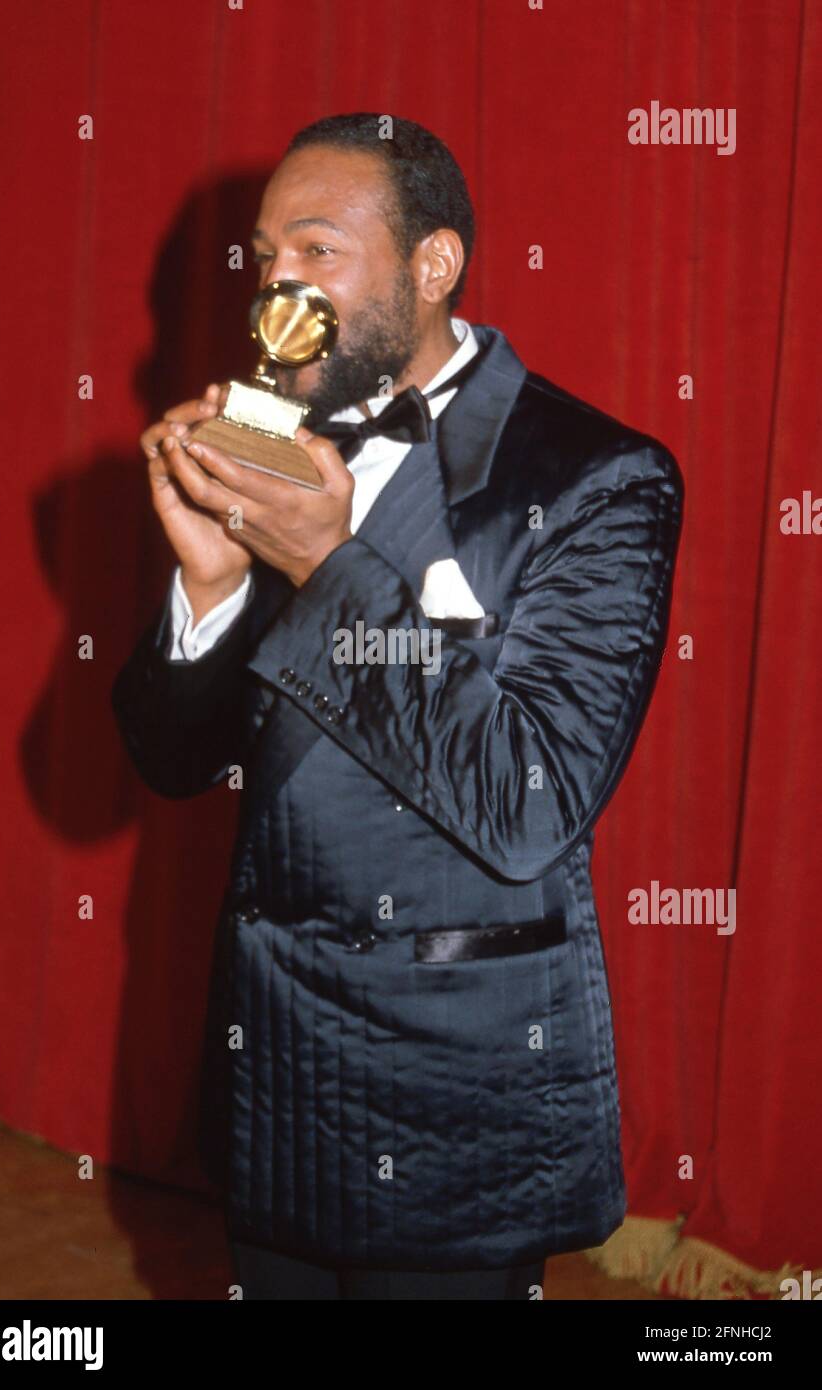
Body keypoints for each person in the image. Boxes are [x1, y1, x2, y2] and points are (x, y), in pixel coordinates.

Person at [111, 113, 684, 1300]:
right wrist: (208, 595)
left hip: (458, 1095)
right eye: (268, 258)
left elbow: (531, 802)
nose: (280, 285)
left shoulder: (597, 477)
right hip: (275, 1079)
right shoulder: (272, 448)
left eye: (318, 251)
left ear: (433, 266)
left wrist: (330, 565)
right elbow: (172, 762)